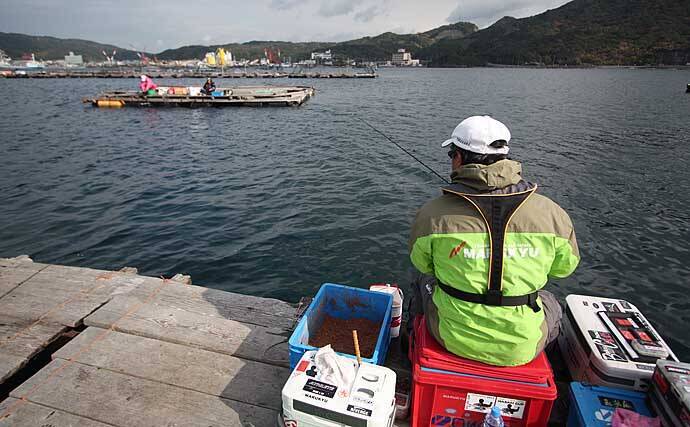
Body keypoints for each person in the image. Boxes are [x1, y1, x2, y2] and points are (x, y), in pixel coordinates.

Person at [408, 115, 579, 366]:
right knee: (552, 301)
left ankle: (410, 341)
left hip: (452, 338)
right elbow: (564, 268)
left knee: (423, 280)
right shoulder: (552, 213)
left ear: (459, 158)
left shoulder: (432, 214)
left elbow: (424, 265)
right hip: (522, 348)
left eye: (451, 154)